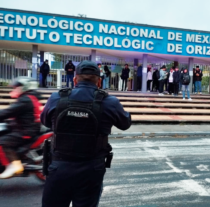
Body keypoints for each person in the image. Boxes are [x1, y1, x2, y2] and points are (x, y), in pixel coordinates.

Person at [41, 60, 131, 207]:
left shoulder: (57, 98)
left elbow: (45, 121)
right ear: (99, 82)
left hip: (59, 167)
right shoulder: (110, 102)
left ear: (75, 79)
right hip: (91, 170)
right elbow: (125, 124)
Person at [0, 77, 41, 178]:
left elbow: (9, 111)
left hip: (26, 131)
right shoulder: (29, 97)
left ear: (24, 87)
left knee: (2, 142)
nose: (14, 89)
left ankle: (13, 165)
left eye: (17, 87)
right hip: (26, 128)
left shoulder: (25, 100)